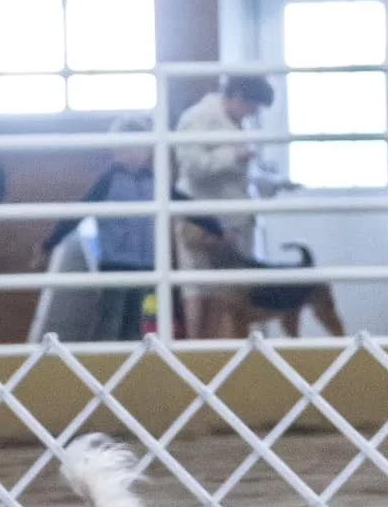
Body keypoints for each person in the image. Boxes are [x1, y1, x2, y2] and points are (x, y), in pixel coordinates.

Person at [173, 75, 279, 337]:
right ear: (239, 96)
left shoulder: (235, 121)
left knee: (230, 292)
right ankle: (197, 358)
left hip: (233, 221)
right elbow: (192, 166)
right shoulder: (198, 118)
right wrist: (233, 155)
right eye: (253, 106)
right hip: (201, 219)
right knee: (200, 291)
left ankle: (227, 355)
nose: (253, 114)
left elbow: (236, 177)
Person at [35, 116, 156, 341]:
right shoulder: (109, 180)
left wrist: (215, 227)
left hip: (146, 263)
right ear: (116, 150)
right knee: (110, 319)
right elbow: (80, 212)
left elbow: (181, 201)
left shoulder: (154, 181)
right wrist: (50, 243)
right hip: (116, 262)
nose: (133, 153)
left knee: (135, 321)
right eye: (126, 148)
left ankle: (130, 369)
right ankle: (103, 368)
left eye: (139, 147)